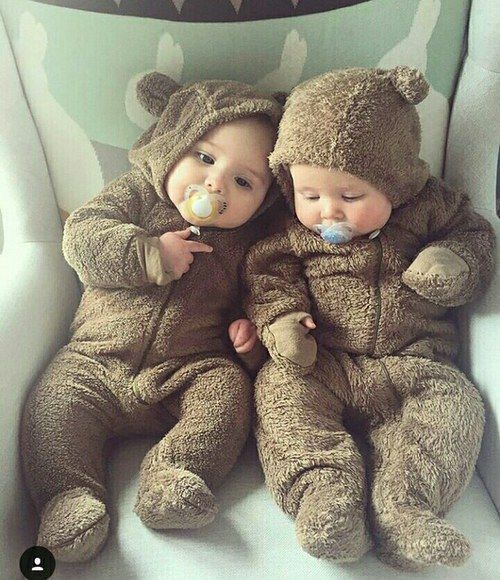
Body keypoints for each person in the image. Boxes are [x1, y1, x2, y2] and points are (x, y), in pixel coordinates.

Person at [20, 72, 283, 563]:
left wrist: (249, 346)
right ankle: (68, 496)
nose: (215, 182)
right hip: (96, 357)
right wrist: (147, 253)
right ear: (173, 145)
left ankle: (174, 474)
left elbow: (266, 294)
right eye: (204, 157)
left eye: (243, 181)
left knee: (227, 397)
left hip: (188, 368)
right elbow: (82, 236)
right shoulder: (138, 194)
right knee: (53, 406)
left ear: (264, 200)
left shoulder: (250, 241)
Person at [242, 66, 495, 571]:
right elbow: (266, 277)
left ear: (396, 183)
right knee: (280, 391)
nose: (327, 212)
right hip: (325, 362)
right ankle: (326, 498)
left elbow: (476, 238)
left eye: (350, 197)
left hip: (415, 363)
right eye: (310, 195)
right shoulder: (290, 227)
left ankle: (407, 512)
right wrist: (283, 320)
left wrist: (452, 262)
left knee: (457, 407)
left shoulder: (432, 207)